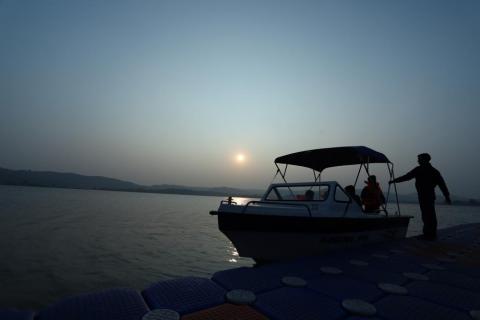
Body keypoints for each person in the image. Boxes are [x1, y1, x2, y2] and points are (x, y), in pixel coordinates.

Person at [389, 153, 451, 240]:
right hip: (423, 195)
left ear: (424, 159)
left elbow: (442, 185)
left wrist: (447, 196)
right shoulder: (427, 170)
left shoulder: (429, 171)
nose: (418, 161)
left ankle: (430, 234)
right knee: (427, 214)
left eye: (419, 159)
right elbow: (407, 177)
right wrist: (395, 181)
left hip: (428, 195)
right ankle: (429, 233)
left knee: (429, 214)